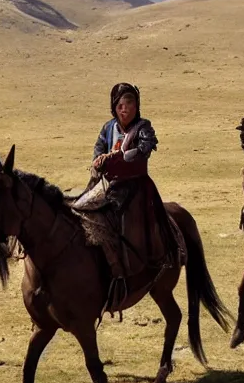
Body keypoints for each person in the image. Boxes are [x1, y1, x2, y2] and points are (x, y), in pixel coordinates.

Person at [73, 82, 176, 297]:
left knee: (130, 223)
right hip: (109, 185)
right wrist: (98, 161)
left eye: (130, 104)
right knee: (79, 209)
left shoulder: (144, 127)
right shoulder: (108, 128)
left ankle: (149, 259)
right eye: (120, 105)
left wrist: (118, 156)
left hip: (135, 186)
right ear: (114, 107)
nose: (125, 109)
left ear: (137, 107)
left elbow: (144, 150)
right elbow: (98, 150)